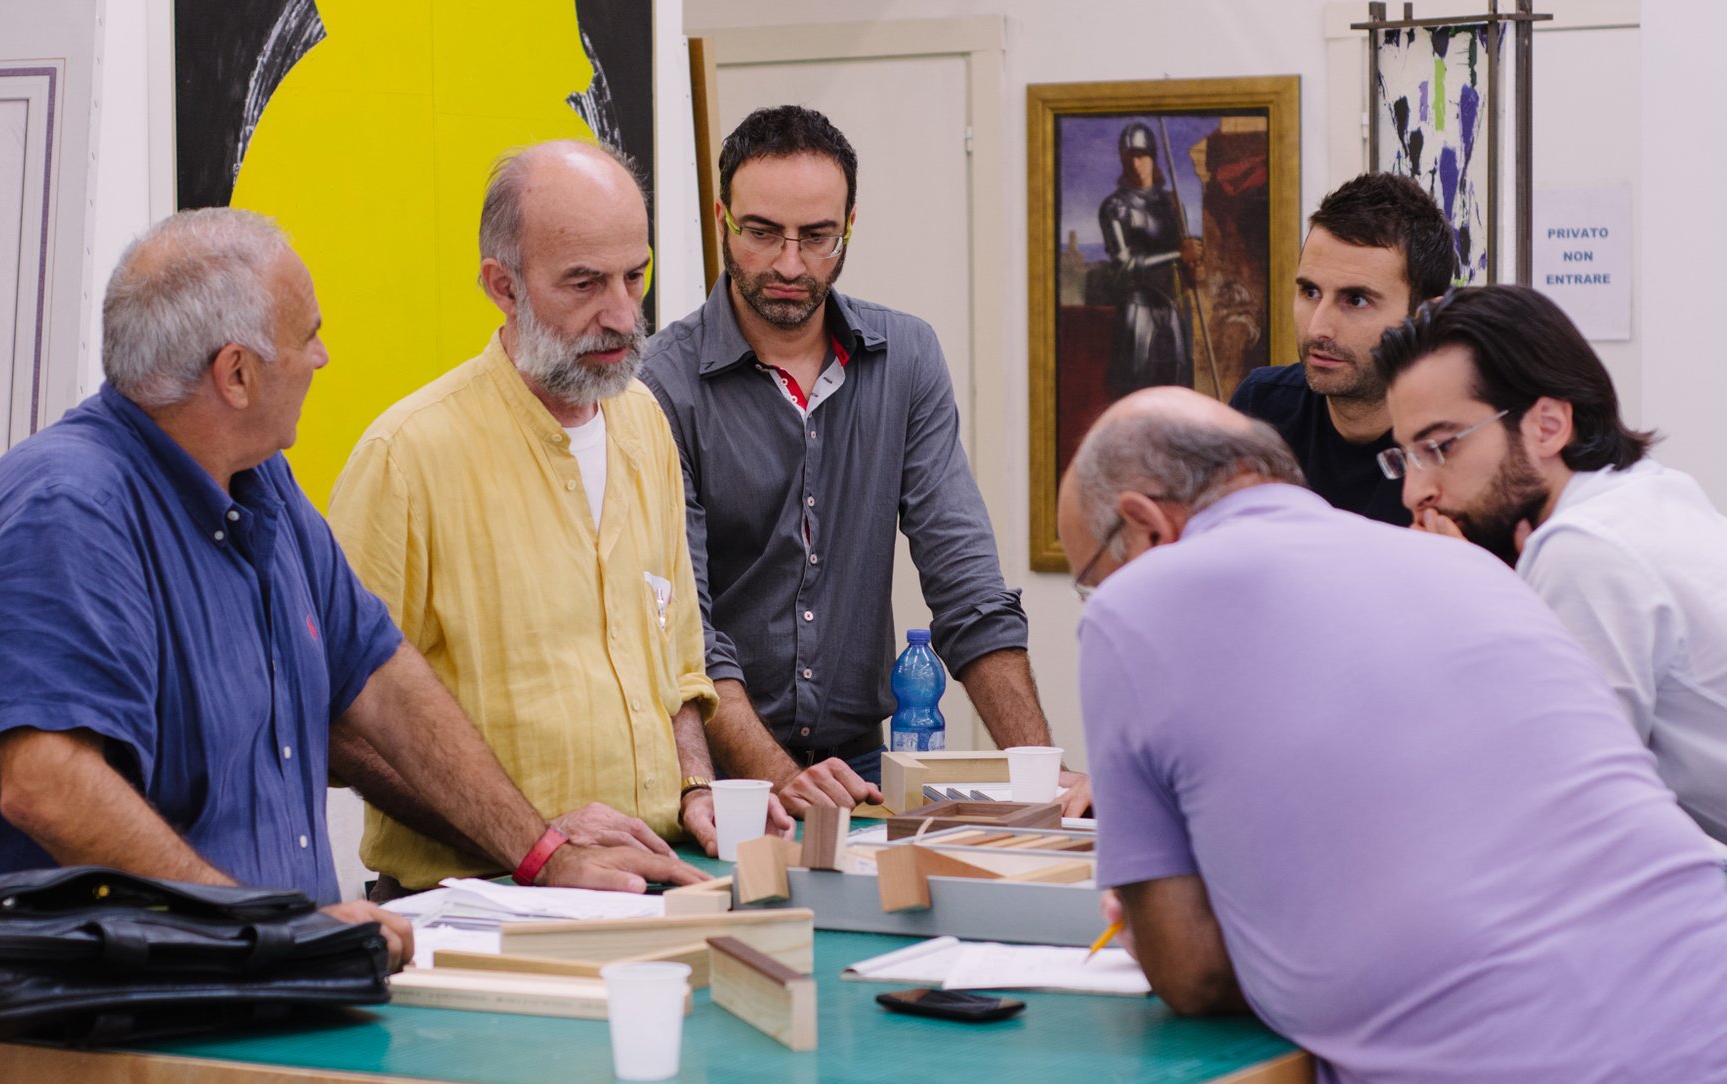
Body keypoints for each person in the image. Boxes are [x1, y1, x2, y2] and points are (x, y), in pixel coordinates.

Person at [0, 207, 700, 1084]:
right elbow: (48, 785)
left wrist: (539, 848)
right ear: (236, 372)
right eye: (308, 338)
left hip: (227, 1037)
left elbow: (379, 680)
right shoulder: (69, 508)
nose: (325, 357)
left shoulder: (261, 489)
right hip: (57, 1075)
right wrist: (273, 932)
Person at [1063, 387, 1727, 1084]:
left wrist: (1162, 924)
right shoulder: (1463, 563)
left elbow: (1194, 972)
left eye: (1094, 575)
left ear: (1143, 523)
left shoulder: (1134, 611)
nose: (1102, 598)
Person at [327, 142, 789, 898]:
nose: (620, 314)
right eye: (583, 283)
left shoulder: (644, 424)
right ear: (501, 285)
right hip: (481, 904)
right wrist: (535, 843)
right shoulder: (406, 457)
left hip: (656, 880)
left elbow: (675, 665)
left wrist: (697, 787)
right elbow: (340, 726)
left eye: (633, 276)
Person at [642, 105, 1085, 816]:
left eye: (816, 237)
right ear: (721, 218)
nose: (789, 264)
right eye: (761, 233)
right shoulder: (660, 386)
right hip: (722, 777)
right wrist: (782, 783)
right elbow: (685, 632)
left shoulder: (905, 359)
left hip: (863, 764)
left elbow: (966, 586)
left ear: (849, 227)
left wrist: (1041, 775)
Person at [1376, 283, 1727, 907]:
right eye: (1405, 457)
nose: (1415, 492)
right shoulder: (1641, 498)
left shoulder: (1585, 549)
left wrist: (1463, 607)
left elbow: (1544, 826)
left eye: (1441, 448)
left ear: (1548, 424)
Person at [1229, 172, 1454, 524]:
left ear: (1427, 316)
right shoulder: (1263, 408)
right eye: (1310, 292)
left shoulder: (1460, 442)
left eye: (1357, 300)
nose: (1319, 328)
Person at [1098, 120, 1196, 394]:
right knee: (1134, 394)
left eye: (1141, 155)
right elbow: (1125, 266)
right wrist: (1179, 255)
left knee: (1178, 391)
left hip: (1171, 310)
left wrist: (1192, 270)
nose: (1136, 164)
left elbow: (1183, 266)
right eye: (1129, 157)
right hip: (1138, 311)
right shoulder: (1116, 207)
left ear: (1152, 156)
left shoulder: (1172, 204)